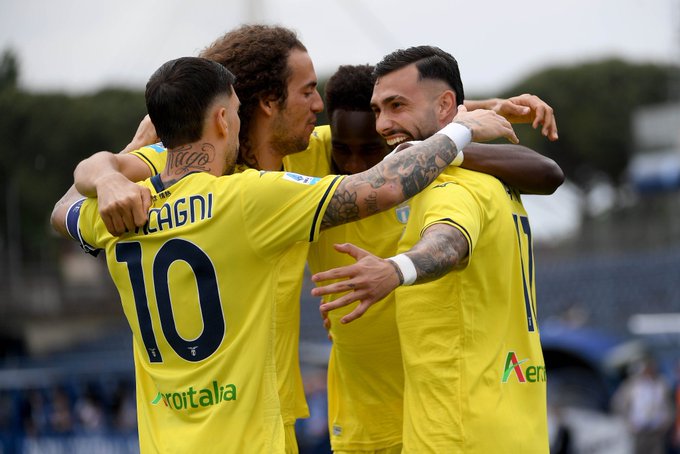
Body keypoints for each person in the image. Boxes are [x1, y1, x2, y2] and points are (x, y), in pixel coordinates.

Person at [62, 24, 561, 453]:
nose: (318, 105)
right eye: (306, 91)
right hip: (270, 424)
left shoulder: (164, 184)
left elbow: (68, 204)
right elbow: (389, 181)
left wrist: (106, 179)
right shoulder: (258, 192)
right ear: (258, 105)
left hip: (194, 427)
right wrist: (459, 131)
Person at [311, 46, 554, 452]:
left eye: (396, 106)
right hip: (510, 422)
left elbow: (449, 242)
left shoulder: (447, 184)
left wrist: (395, 270)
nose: (384, 125)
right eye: (379, 110)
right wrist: (484, 111)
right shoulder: (492, 179)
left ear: (445, 108)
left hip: (456, 427)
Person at [612, 358, 673, 454]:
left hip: (657, 429)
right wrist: (626, 423)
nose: (648, 371)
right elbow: (618, 404)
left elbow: (669, 405)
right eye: (646, 369)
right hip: (637, 428)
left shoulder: (661, 384)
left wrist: (666, 423)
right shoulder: (631, 385)